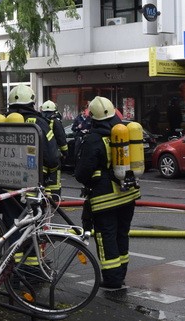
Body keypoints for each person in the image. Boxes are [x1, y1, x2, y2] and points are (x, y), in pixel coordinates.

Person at [74, 96, 140, 290]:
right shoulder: (123, 132)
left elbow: (82, 173)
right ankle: (120, 276)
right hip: (128, 194)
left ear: (93, 117)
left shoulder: (94, 138)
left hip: (105, 200)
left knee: (106, 238)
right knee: (122, 234)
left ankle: (112, 280)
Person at [39, 98, 68, 188]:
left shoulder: (39, 122)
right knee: (53, 184)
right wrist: (65, 153)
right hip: (53, 156)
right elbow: (61, 140)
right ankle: (54, 198)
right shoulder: (56, 122)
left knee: (40, 182)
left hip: (40, 157)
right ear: (54, 111)